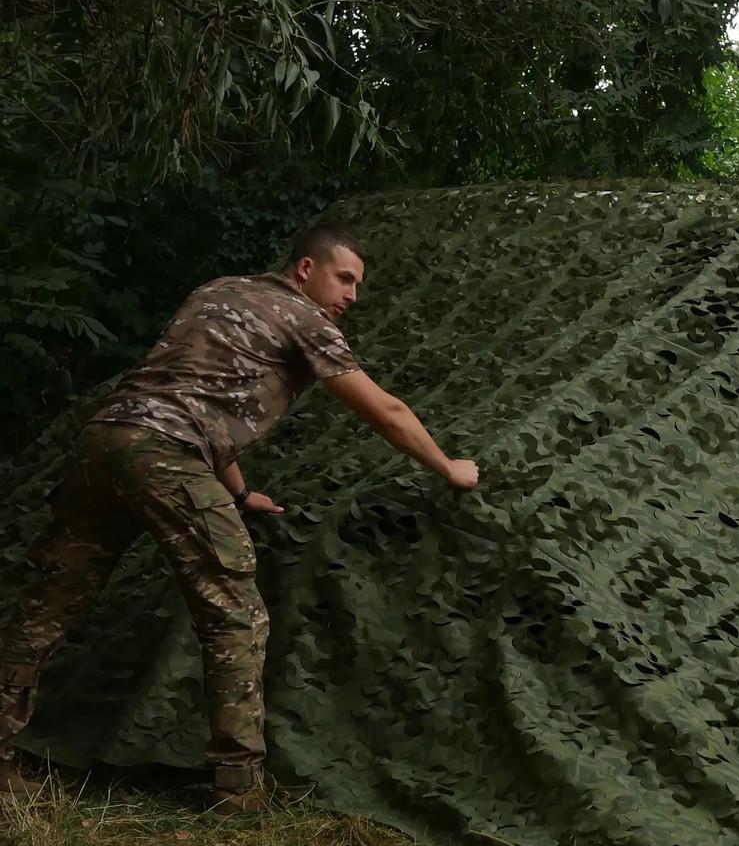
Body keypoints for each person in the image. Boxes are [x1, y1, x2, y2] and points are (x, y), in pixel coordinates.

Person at [0, 225, 479, 812]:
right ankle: (238, 789)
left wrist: (240, 491)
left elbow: (197, 393)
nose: (352, 296)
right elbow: (385, 410)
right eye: (344, 278)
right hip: (166, 454)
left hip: (104, 440)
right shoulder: (306, 320)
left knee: (49, 604)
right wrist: (448, 467)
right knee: (235, 613)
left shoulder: (217, 292)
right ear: (306, 269)